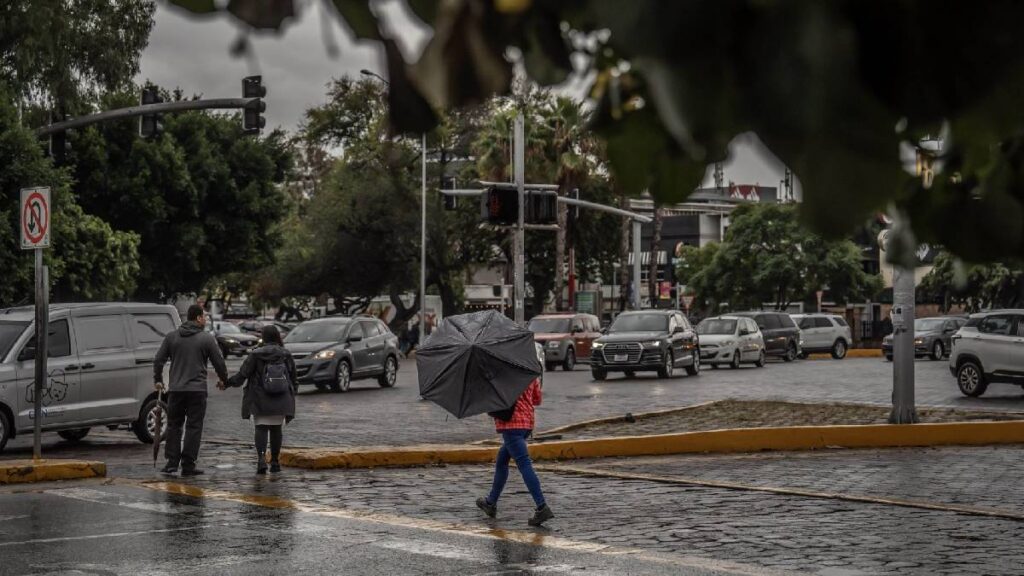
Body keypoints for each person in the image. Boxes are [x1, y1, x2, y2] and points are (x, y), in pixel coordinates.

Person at [154, 304, 228, 476]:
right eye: (205, 316)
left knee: (173, 426)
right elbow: (219, 362)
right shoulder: (206, 339)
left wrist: (158, 380)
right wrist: (224, 380)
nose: (206, 319)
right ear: (198, 318)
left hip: (176, 390)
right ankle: (188, 465)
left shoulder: (172, 337)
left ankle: (172, 463)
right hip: (197, 391)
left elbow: (158, 360)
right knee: (194, 427)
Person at [476, 377, 554, 527]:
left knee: (524, 464)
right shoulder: (529, 372)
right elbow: (537, 399)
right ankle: (490, 502)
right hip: (526, 425)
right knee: (502, 461)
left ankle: (542, 506)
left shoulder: (503, 375)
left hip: (511, 425)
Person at [222, 325, 297, 474]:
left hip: (260, 398)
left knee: (261, 428)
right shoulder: (285, 354)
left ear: (264, 337)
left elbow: (242, 375)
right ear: (277, 337)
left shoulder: (256, 355)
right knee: (276, 429)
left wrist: (227, 383)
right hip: (281, 398)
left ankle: (261, 460)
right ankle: (275, 462)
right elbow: (293, 377)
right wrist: (293, 394)